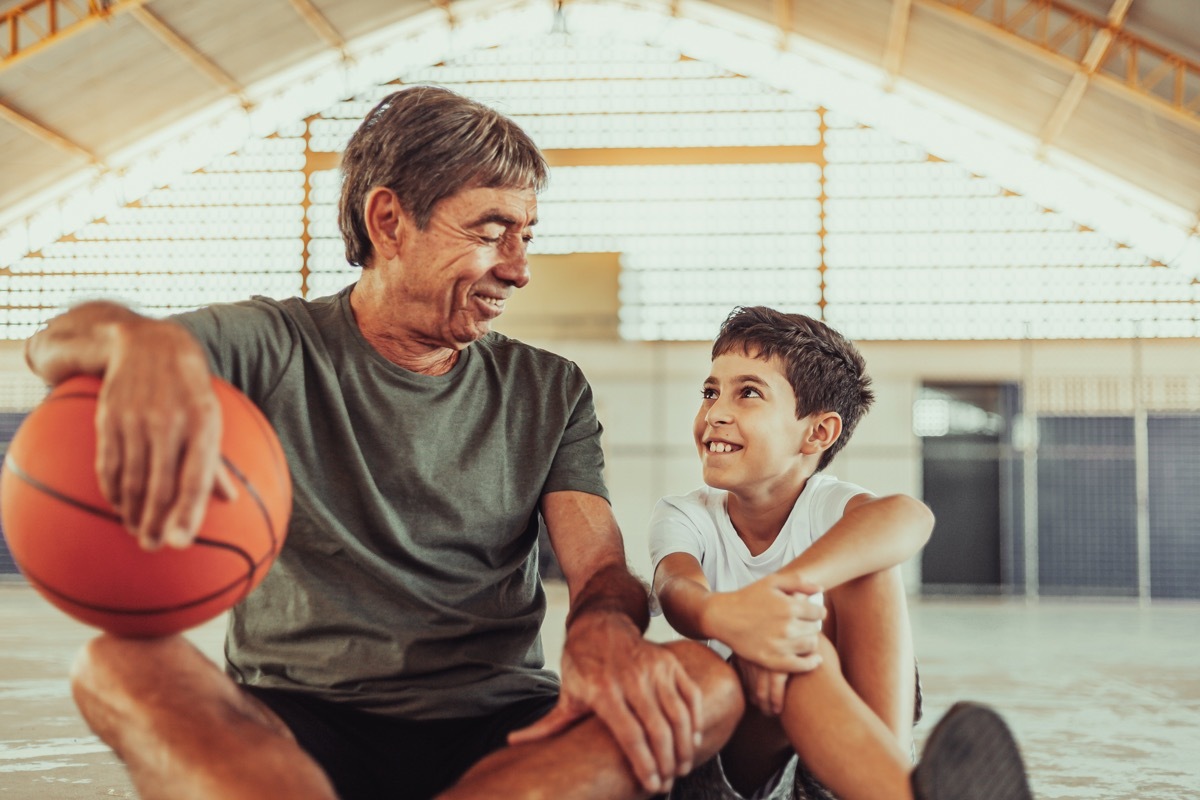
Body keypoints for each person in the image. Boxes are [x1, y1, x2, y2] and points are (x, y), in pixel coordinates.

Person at [24, 86, 744, 800]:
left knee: (708, 684)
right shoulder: (274, 346)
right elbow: (54, 343)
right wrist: (134, 337)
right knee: (114, 668)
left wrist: (603, 630)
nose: (520, 268)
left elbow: (598, 568)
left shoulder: (549, 388)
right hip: (292, 719)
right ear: (390, 220)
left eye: (528, 236)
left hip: (500, 730)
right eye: (492, 232)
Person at [649, 306, 1033, 800]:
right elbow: (678, 593)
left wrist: (779, 597)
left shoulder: (827, 505)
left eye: (748, 393)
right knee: (791, 654)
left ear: (818, 433)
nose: (715, 412)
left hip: (839, 753)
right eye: (710, 392)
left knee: (862, 567)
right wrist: (745, 625)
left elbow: (909, 516)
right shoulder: (685, 515)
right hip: (735, 763)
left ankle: (888, 770)